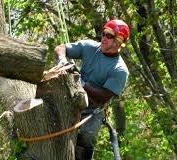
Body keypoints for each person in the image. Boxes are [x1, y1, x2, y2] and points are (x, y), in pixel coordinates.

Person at [54, 19, 130, 160]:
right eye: (104, 34)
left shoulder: (119, 70)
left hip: (94, 108)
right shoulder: (89, 47)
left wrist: (82, 83)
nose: (104, 38)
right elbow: (61, 48)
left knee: (87, 136)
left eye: (109, 36)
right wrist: (62, 59)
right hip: (72, 97)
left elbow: (103, 97)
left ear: (119, 41)